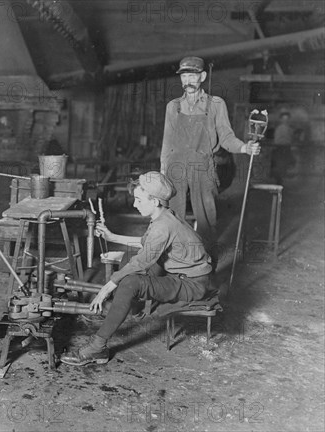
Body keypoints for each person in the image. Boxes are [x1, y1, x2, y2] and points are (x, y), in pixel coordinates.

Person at [61, 172, 213, 366]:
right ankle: (122, 308)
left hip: (192, 284)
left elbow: (143, 260)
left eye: (139, 200)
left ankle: (97, 348)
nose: (134, 205)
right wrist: (113, 238)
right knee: (127, 262)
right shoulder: (165, 217)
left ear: (156, 201)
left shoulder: (162, 226)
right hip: (184, 275)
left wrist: (106, 288)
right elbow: (148, 244)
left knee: (130, 281)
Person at [160, 56, 261, 260]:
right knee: (171, 215)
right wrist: (163, 170)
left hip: (203, 165)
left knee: (206, 217)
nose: (188, 81)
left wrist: (244, 147)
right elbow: (167, 141)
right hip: (175, 166)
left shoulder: (216, 104)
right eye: (184, 76)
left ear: (203, 76)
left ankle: (206, 263)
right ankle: (174, 261)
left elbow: (226, 136)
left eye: (192, 75)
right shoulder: (173, 106)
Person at [271, 111, 295, 184]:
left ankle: (282, 180)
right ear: (281, 120)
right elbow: (276, 140)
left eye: (287, 119)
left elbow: (291, 139)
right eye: (284, 119)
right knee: (279, 165)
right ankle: (278, 181)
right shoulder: (279, 128)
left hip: (287, 148)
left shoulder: (290, 129)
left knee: (287, 164)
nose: (285, 121)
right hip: (280, 148)